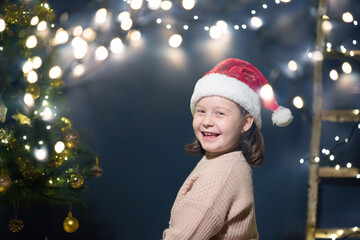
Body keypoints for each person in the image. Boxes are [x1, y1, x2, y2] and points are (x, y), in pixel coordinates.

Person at [162, 58, 293, 240]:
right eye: (201, 111)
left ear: (246, 123)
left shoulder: (222, 173)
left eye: (220, 113)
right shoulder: (223, 160)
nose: (207, 121)